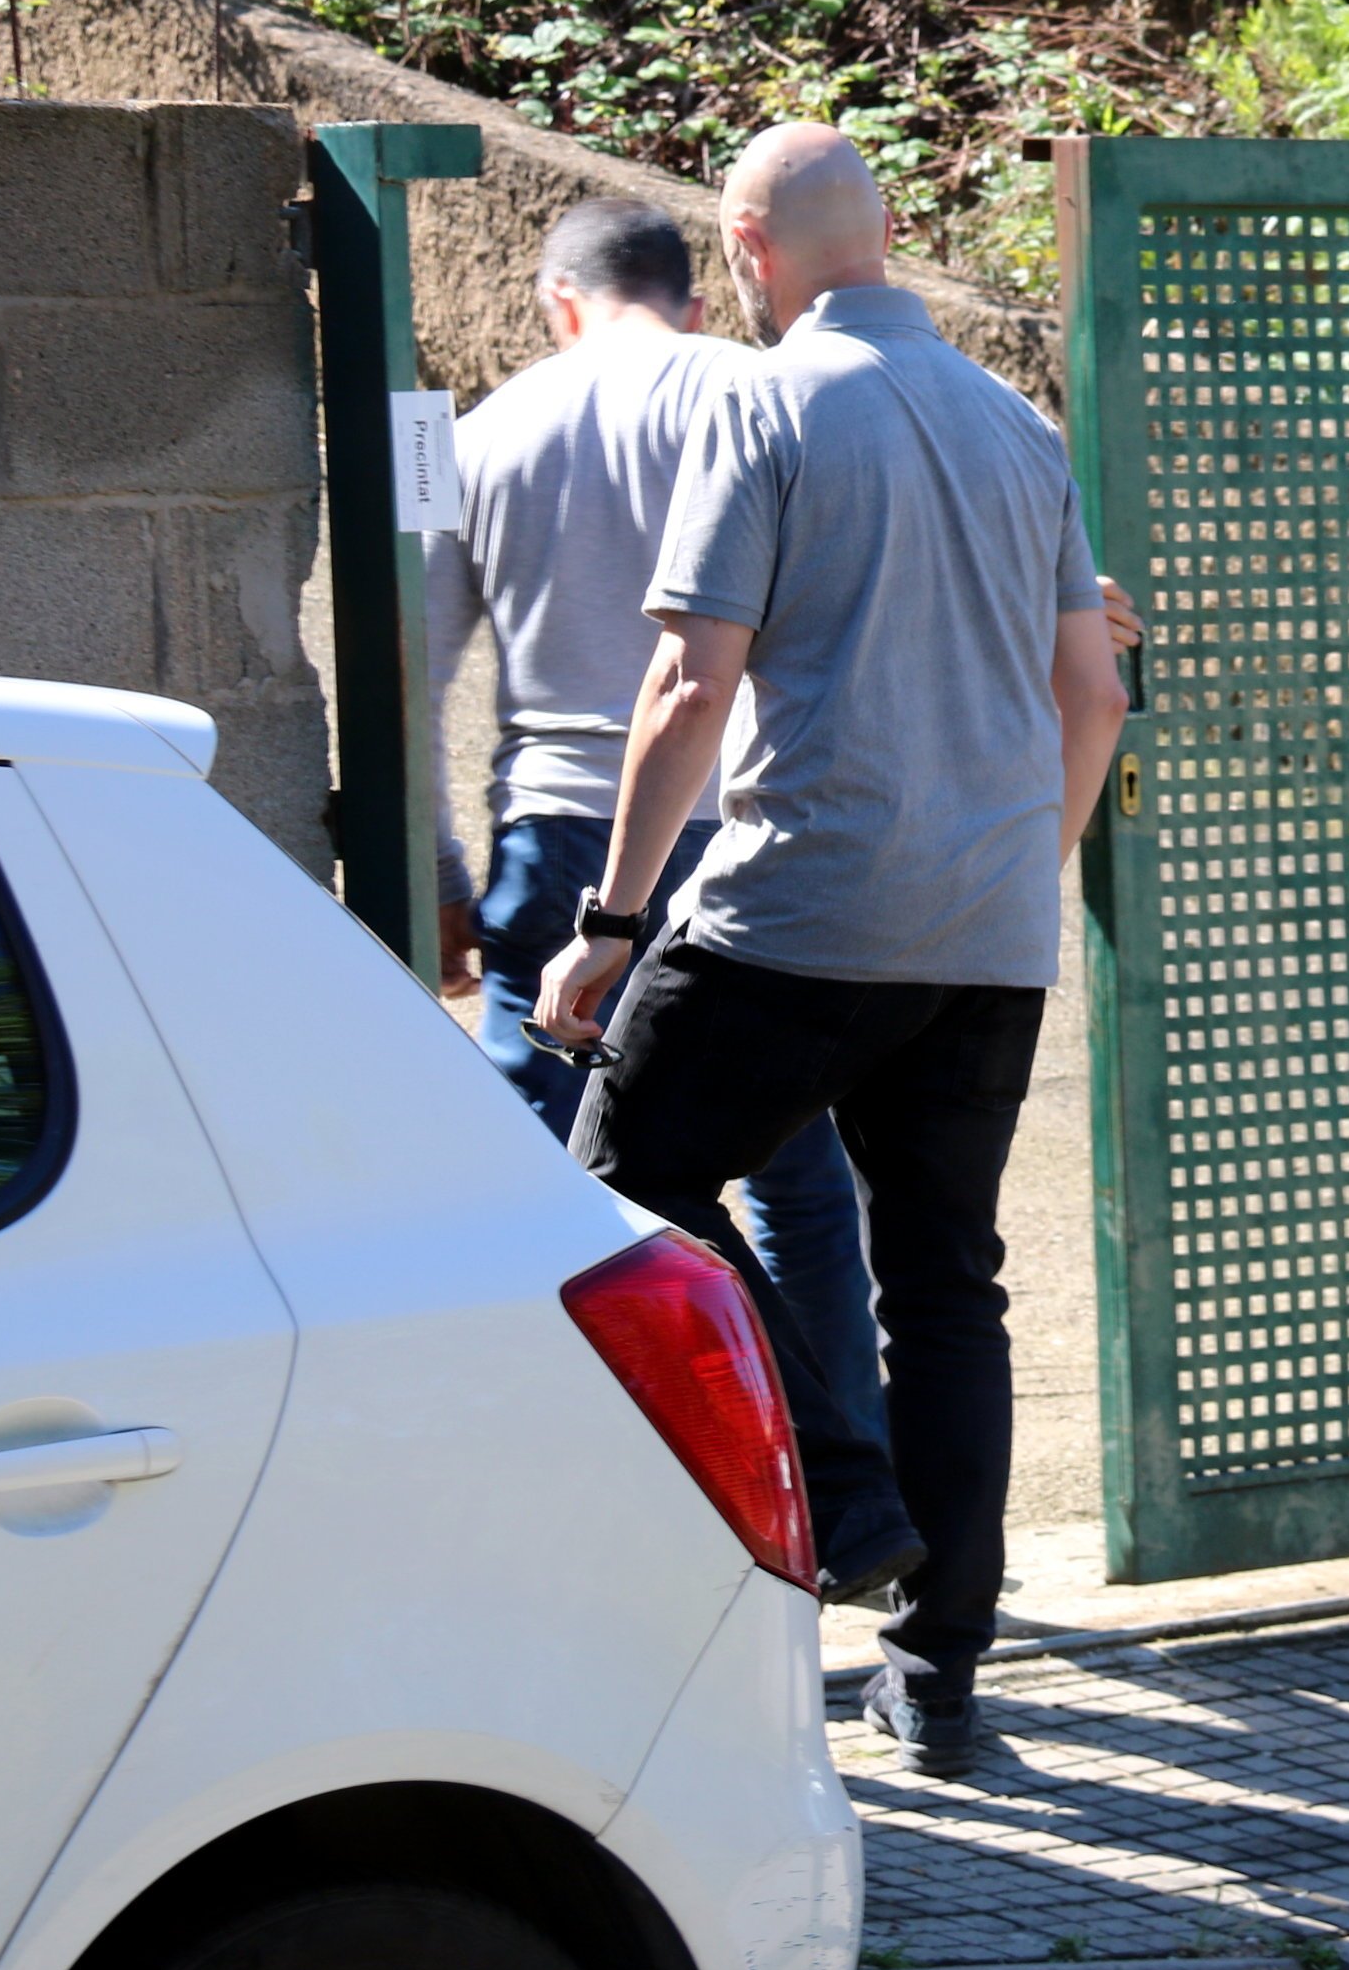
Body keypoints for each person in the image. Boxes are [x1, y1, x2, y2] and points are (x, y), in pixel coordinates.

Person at [535, 123, 1129, 1780]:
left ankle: (845, 1488)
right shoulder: (1021, 426)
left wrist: (610, 922)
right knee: (948, 1281)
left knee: (616, 1180)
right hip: (985, 932)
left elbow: (687, 689)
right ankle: (940, 1677)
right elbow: (1094, 694)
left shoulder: (763, 402)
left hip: (803, 906)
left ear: (748, 243)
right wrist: (1025, 859)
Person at [427, 198, 881, 1447]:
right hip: (746, 830)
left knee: (551, 1188)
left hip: (562, 843)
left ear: (556, 301)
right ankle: (844, 1477)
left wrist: (441, 872)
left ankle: (577, 1461)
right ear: (690, 296)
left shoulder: (489, 430)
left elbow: (409, 674)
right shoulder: (759, 391)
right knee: (798, 1185)